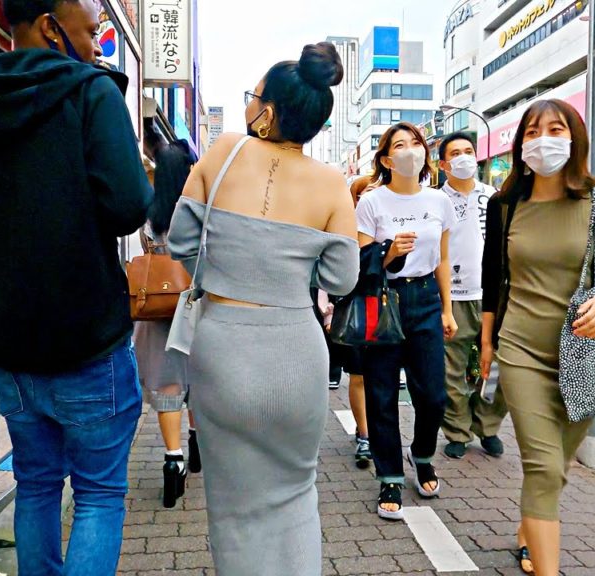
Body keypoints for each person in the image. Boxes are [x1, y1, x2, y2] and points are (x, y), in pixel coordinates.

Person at [0, 0, 152, 573]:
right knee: (98, 494)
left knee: (36, 484)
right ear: (51, 27)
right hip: (89, 340)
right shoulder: (91, 94)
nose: (96, 44)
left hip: (9, 347)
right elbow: (129, 206)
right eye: (91, 30)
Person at [167, 42, 358, 574]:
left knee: (232, 506)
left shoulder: (224, 152)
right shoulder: (332, 183)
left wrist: (224, 275)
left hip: (224, 349)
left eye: (253, 97)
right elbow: (341, 278)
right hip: (297, 352)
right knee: (297, 494)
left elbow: (180, 240)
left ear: (268, 111)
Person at [479, 99, 595, 576]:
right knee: (544, 466)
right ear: (519, 144)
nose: (542, 140)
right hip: (521, 347)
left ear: (574, 138)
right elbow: (492, 279)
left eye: (554, 129)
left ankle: (530, 527)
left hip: (584, 351)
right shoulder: (504, 204)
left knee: (558, 464)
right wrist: (487, 343)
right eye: (531, 132)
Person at [355, 121, 458, 520]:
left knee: (433, 394)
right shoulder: (372, 203)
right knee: (382, 394)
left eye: (415, 143)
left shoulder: (439, 201)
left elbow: (443, 258)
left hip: (426, 297)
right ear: (386, 159)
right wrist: (389, 252)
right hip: (385, 299)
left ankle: (422, 454)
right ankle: (390, 477)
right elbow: (361, 263)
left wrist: (447, 308)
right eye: (400, 145)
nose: (410, 150)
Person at [133, 134, 202, 508]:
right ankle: (197, 442)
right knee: (198, 378)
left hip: (159, 310)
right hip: (196, 309)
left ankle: (173, 460)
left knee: (168, 384)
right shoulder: (198, 214)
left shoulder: (150, 215)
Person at [437, 132, 509, 461]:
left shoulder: (494, 196)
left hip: (494, 294)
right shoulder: (435, 200)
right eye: (455, 153)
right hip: (453, 296)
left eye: (468, 151)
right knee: (450, 370)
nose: (463, 157)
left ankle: (487, 424)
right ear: (443, 164)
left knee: (499, 367)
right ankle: (457, 430)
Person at [316, 175, 378, 469]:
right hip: (353, 309)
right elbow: (326, 272)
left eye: (375, 191)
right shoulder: (342, 228)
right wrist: (328, 312)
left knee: (380, 375)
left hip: (383, 307)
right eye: (364, 193)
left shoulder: (387, 223)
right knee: (358, 375)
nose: (370, 197)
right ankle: (364, 434)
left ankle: (378, 431)